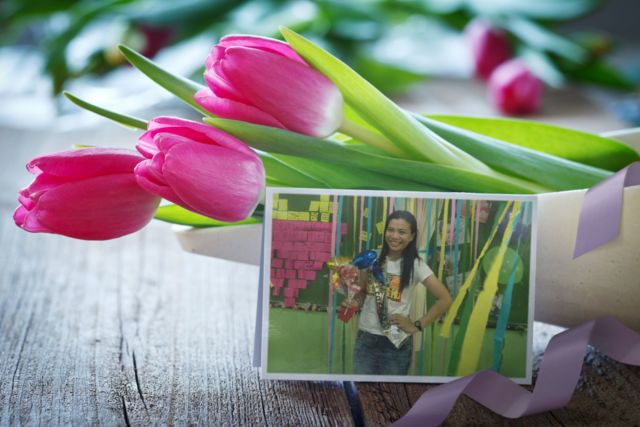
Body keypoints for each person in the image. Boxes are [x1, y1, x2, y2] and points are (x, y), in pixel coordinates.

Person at [344, 210, 452, 376]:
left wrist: (416, 325)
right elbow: (364, 291)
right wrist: (354, 303)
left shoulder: (416, 265)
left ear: (411, 236)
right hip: (366, 338)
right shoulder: (371, 257)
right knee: (363, 388)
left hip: (395, 342)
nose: (394, 236)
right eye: (390, 230)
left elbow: (445, 299)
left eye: (402, 232)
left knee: (391, 391)